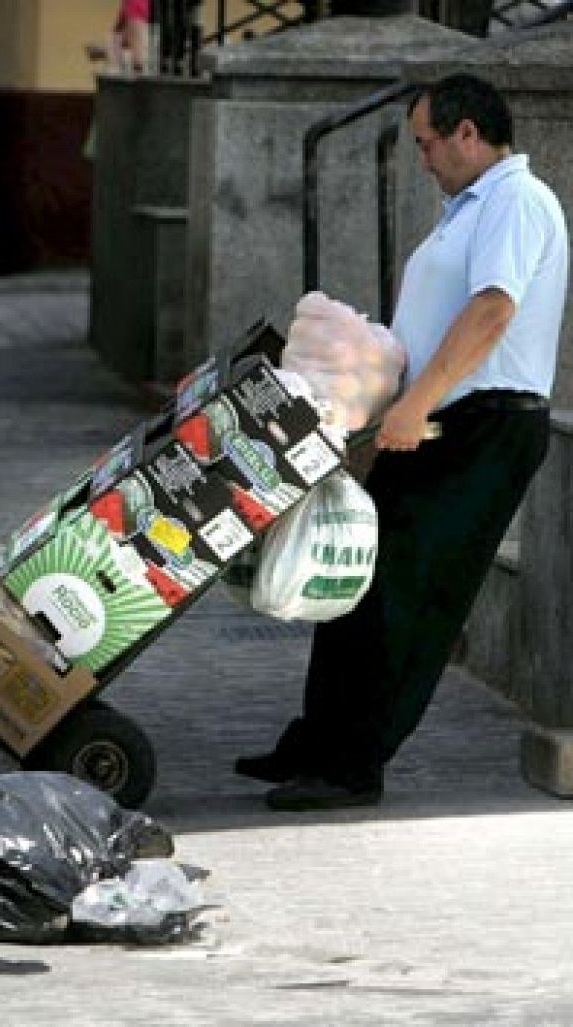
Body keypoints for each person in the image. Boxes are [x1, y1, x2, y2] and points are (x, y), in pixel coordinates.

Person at [239, 73, 569, 811]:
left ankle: (354, 765)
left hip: (481, 423)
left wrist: (416, 404)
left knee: (406, 595)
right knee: (358, 583)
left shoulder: (515, 200)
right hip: (430, 420)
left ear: (467, 134)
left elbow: (492, 311)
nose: (420, 159)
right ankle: (318, 741)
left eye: (426, 143)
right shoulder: (465, 208)